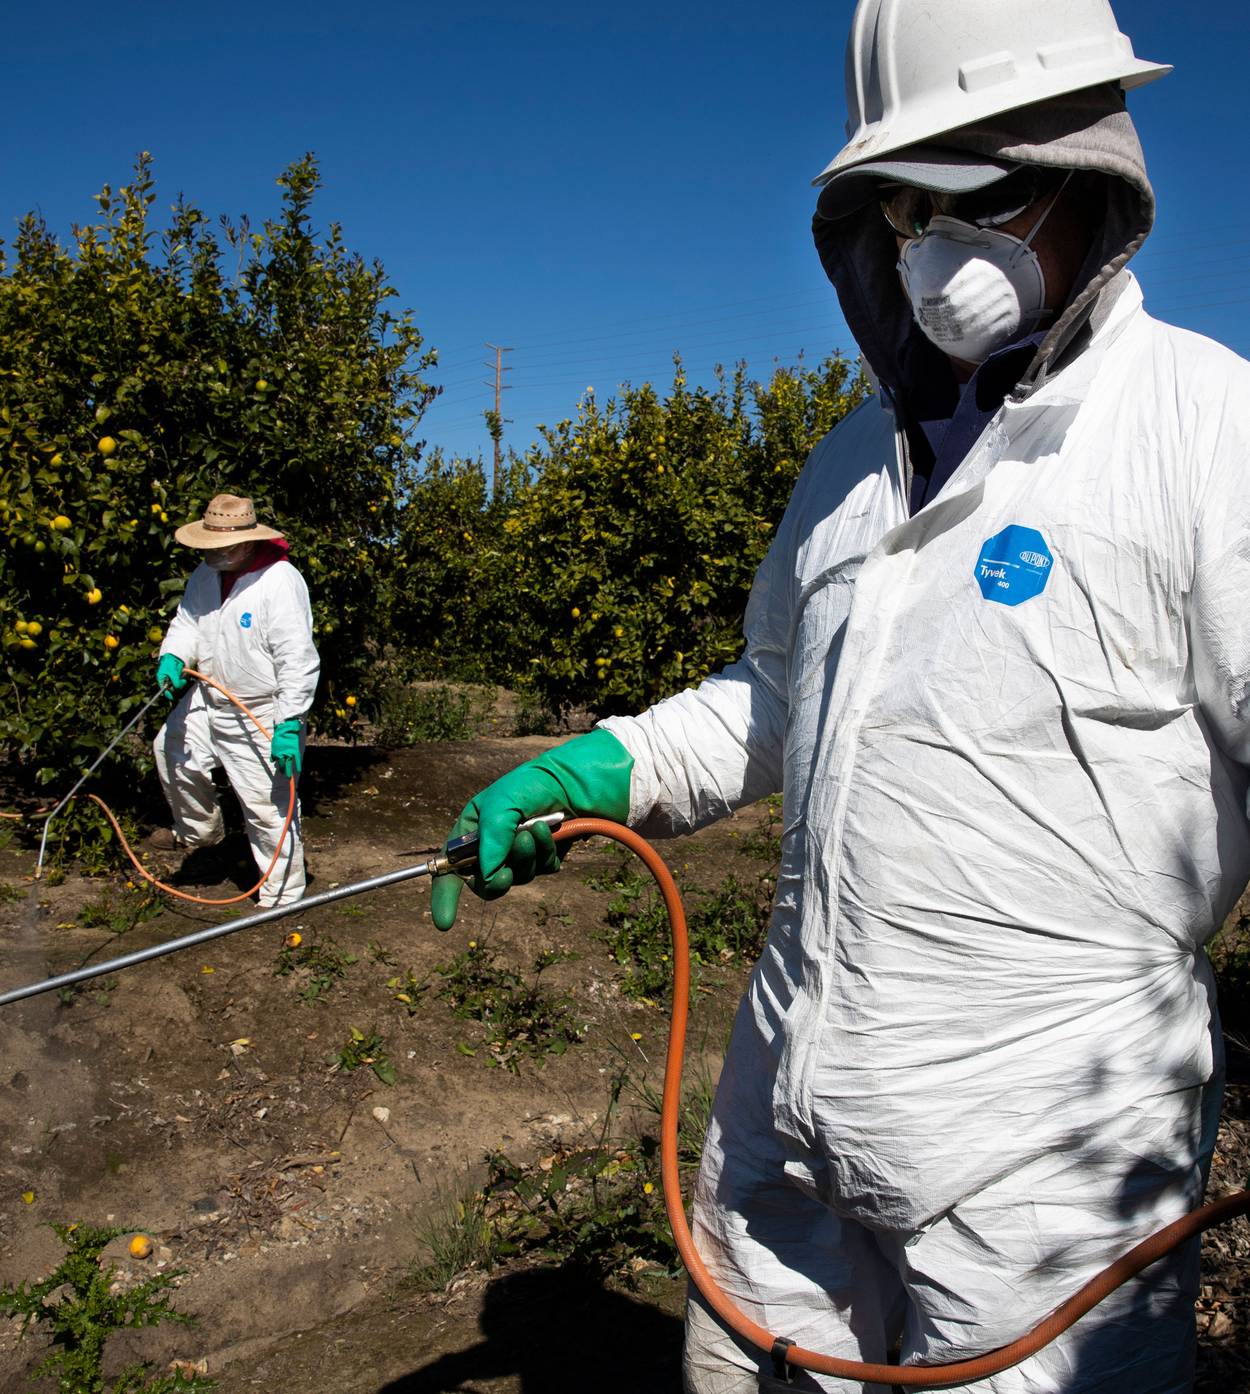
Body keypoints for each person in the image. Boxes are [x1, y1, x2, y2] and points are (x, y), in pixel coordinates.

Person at [433, 2, 1249, 1390]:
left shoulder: (1203, 432)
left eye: (976, 197)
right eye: (903, 208)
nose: (935, 247)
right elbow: (771, 699)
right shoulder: (845, 470)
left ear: (1090, 177)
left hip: (1042, 1160)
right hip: (785, 1107)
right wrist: (599, 771)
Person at [150, 493, 319, 909]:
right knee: (171, 751)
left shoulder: (279, 582)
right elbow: (188, 622)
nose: (215, 553)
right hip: (209, 696)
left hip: (263, 709)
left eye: (223, 546)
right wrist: (173, 655)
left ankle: (283, 893)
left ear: (248, 541)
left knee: (268, 806)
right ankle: (204, 838)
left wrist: (289, 721)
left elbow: (296, 656)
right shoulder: (205, 576)